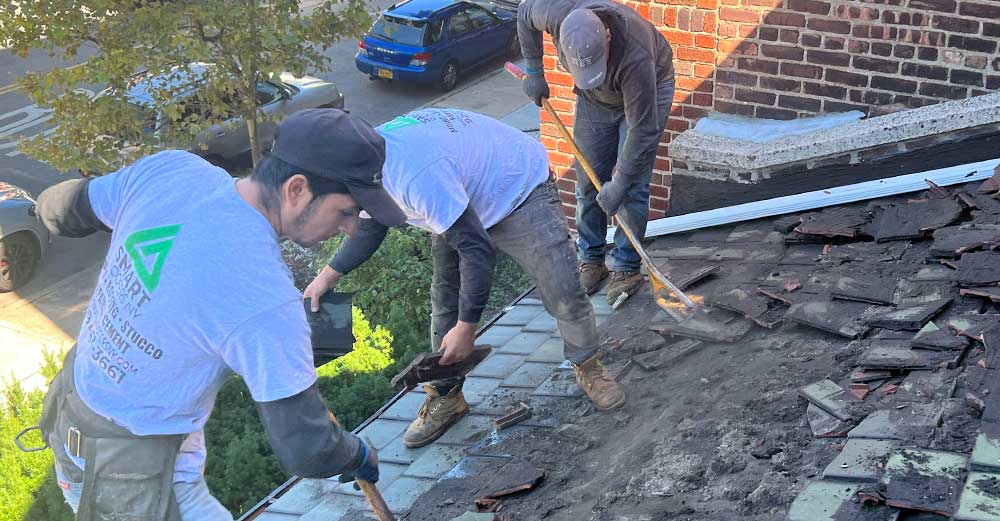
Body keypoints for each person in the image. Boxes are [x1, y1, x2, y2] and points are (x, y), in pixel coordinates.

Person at [30, 109, 398, 520]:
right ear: (297, 189)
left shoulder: (171, 171)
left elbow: (64, 208)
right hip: (135, 479)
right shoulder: (264, 298)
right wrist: (355, 452)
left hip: (72, 420)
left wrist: (40, 208)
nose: (350, 228)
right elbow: (308, 450)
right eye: (346, 211)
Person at [304, 108, 626, 449]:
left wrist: (467, 328)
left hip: (516, 189)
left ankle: (588, 364)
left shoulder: (414, 175)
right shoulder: (357, 166)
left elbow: (477, 251)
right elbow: (370, 226)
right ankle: (447, 397)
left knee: (563, 291)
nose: (343, 224)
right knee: (446, 299)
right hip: (459, 195)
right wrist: (326, 276)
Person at [517, 0, 675, 305]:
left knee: (631, 187)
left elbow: (642, 130)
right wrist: (534, 70)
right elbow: (523, 14)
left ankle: (627, 268)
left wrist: (620, 181)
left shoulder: (636, 52)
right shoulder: (554, 13)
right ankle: (591, 260)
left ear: (608, 37)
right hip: (594, 101)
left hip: (649, 92)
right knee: (588, 181)